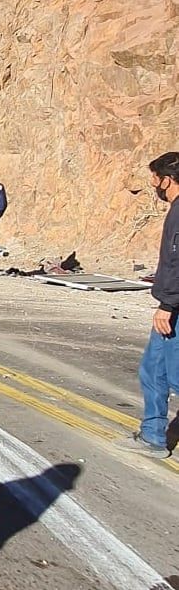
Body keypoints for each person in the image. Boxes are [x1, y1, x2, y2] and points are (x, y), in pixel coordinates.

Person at [117, 152, 179, 459]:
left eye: (155, 178)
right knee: (153, 370)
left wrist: (167, 304)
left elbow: (178, 262)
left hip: (174, 308)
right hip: (172, 303)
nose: (153, 184)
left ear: (167, 180)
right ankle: (153, 435)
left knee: (175, 375)